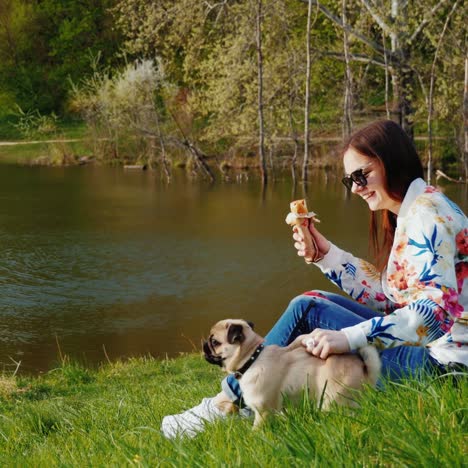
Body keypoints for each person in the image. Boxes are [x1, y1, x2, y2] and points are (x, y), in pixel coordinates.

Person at [161, 119, 468, 439]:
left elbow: (433, 315)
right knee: (311, 302)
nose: (355, 187)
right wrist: (327, 256)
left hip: (443, 368)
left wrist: (348, 338)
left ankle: (226, 404)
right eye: (348, 179)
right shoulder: (415, 210)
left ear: (391, 161)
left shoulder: (428, 217)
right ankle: (245, 399)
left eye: (361, 175)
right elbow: (395, 297)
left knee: (308, 308)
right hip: (431, 350)